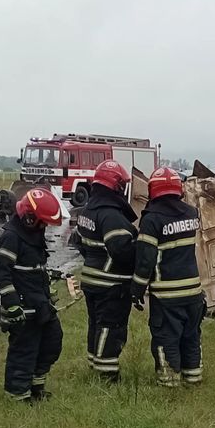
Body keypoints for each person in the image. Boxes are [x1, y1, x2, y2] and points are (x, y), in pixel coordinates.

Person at [131, 167, 205, 387]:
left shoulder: (152, 220)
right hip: (193, 291)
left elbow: (145, 260)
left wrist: (136, 290)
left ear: (153, 190)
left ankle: (169, 381)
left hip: (167, 294)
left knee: (166, 336)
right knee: (191, 336)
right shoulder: (191, 214)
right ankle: (193, 377)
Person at [0, 188, 64, 402]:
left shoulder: (32, 234)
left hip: (40, 305)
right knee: (24, 350)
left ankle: (36, 386)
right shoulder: (12, 237)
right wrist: (12, 304)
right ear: (30, 218)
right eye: (42, 222)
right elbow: (0, 273)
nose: (44, 227)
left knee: (52, 342)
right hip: (22, 308)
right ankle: (18, 394)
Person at [75, 160, 136, 381]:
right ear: (116, 186)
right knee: (111, 327)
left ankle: (94, 363)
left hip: (92, 279)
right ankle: (107, 374)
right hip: (111, 283)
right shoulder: (111, 215)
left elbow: (79, 242)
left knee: (96, 324)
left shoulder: (87, 210)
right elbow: (121, 249)